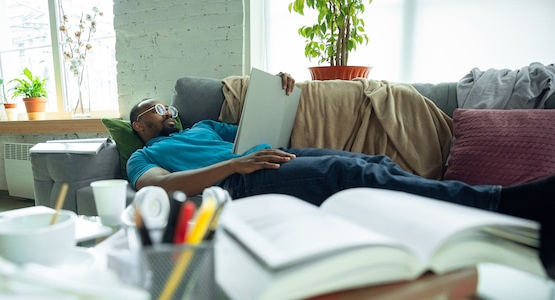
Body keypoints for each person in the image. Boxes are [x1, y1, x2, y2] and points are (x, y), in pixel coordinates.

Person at [127, 73, 555, 274]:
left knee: (374, 164)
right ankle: (501, 204)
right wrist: (233, 165)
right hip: (239, 183)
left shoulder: (204, 126)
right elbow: (161, 187)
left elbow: (254, 130)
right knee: (346, 174)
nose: (166, 112)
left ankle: (470, 214)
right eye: (154, 110)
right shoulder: (143, 156)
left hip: (273, 155)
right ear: (139, 126)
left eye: (166, 107)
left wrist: (279, 91)